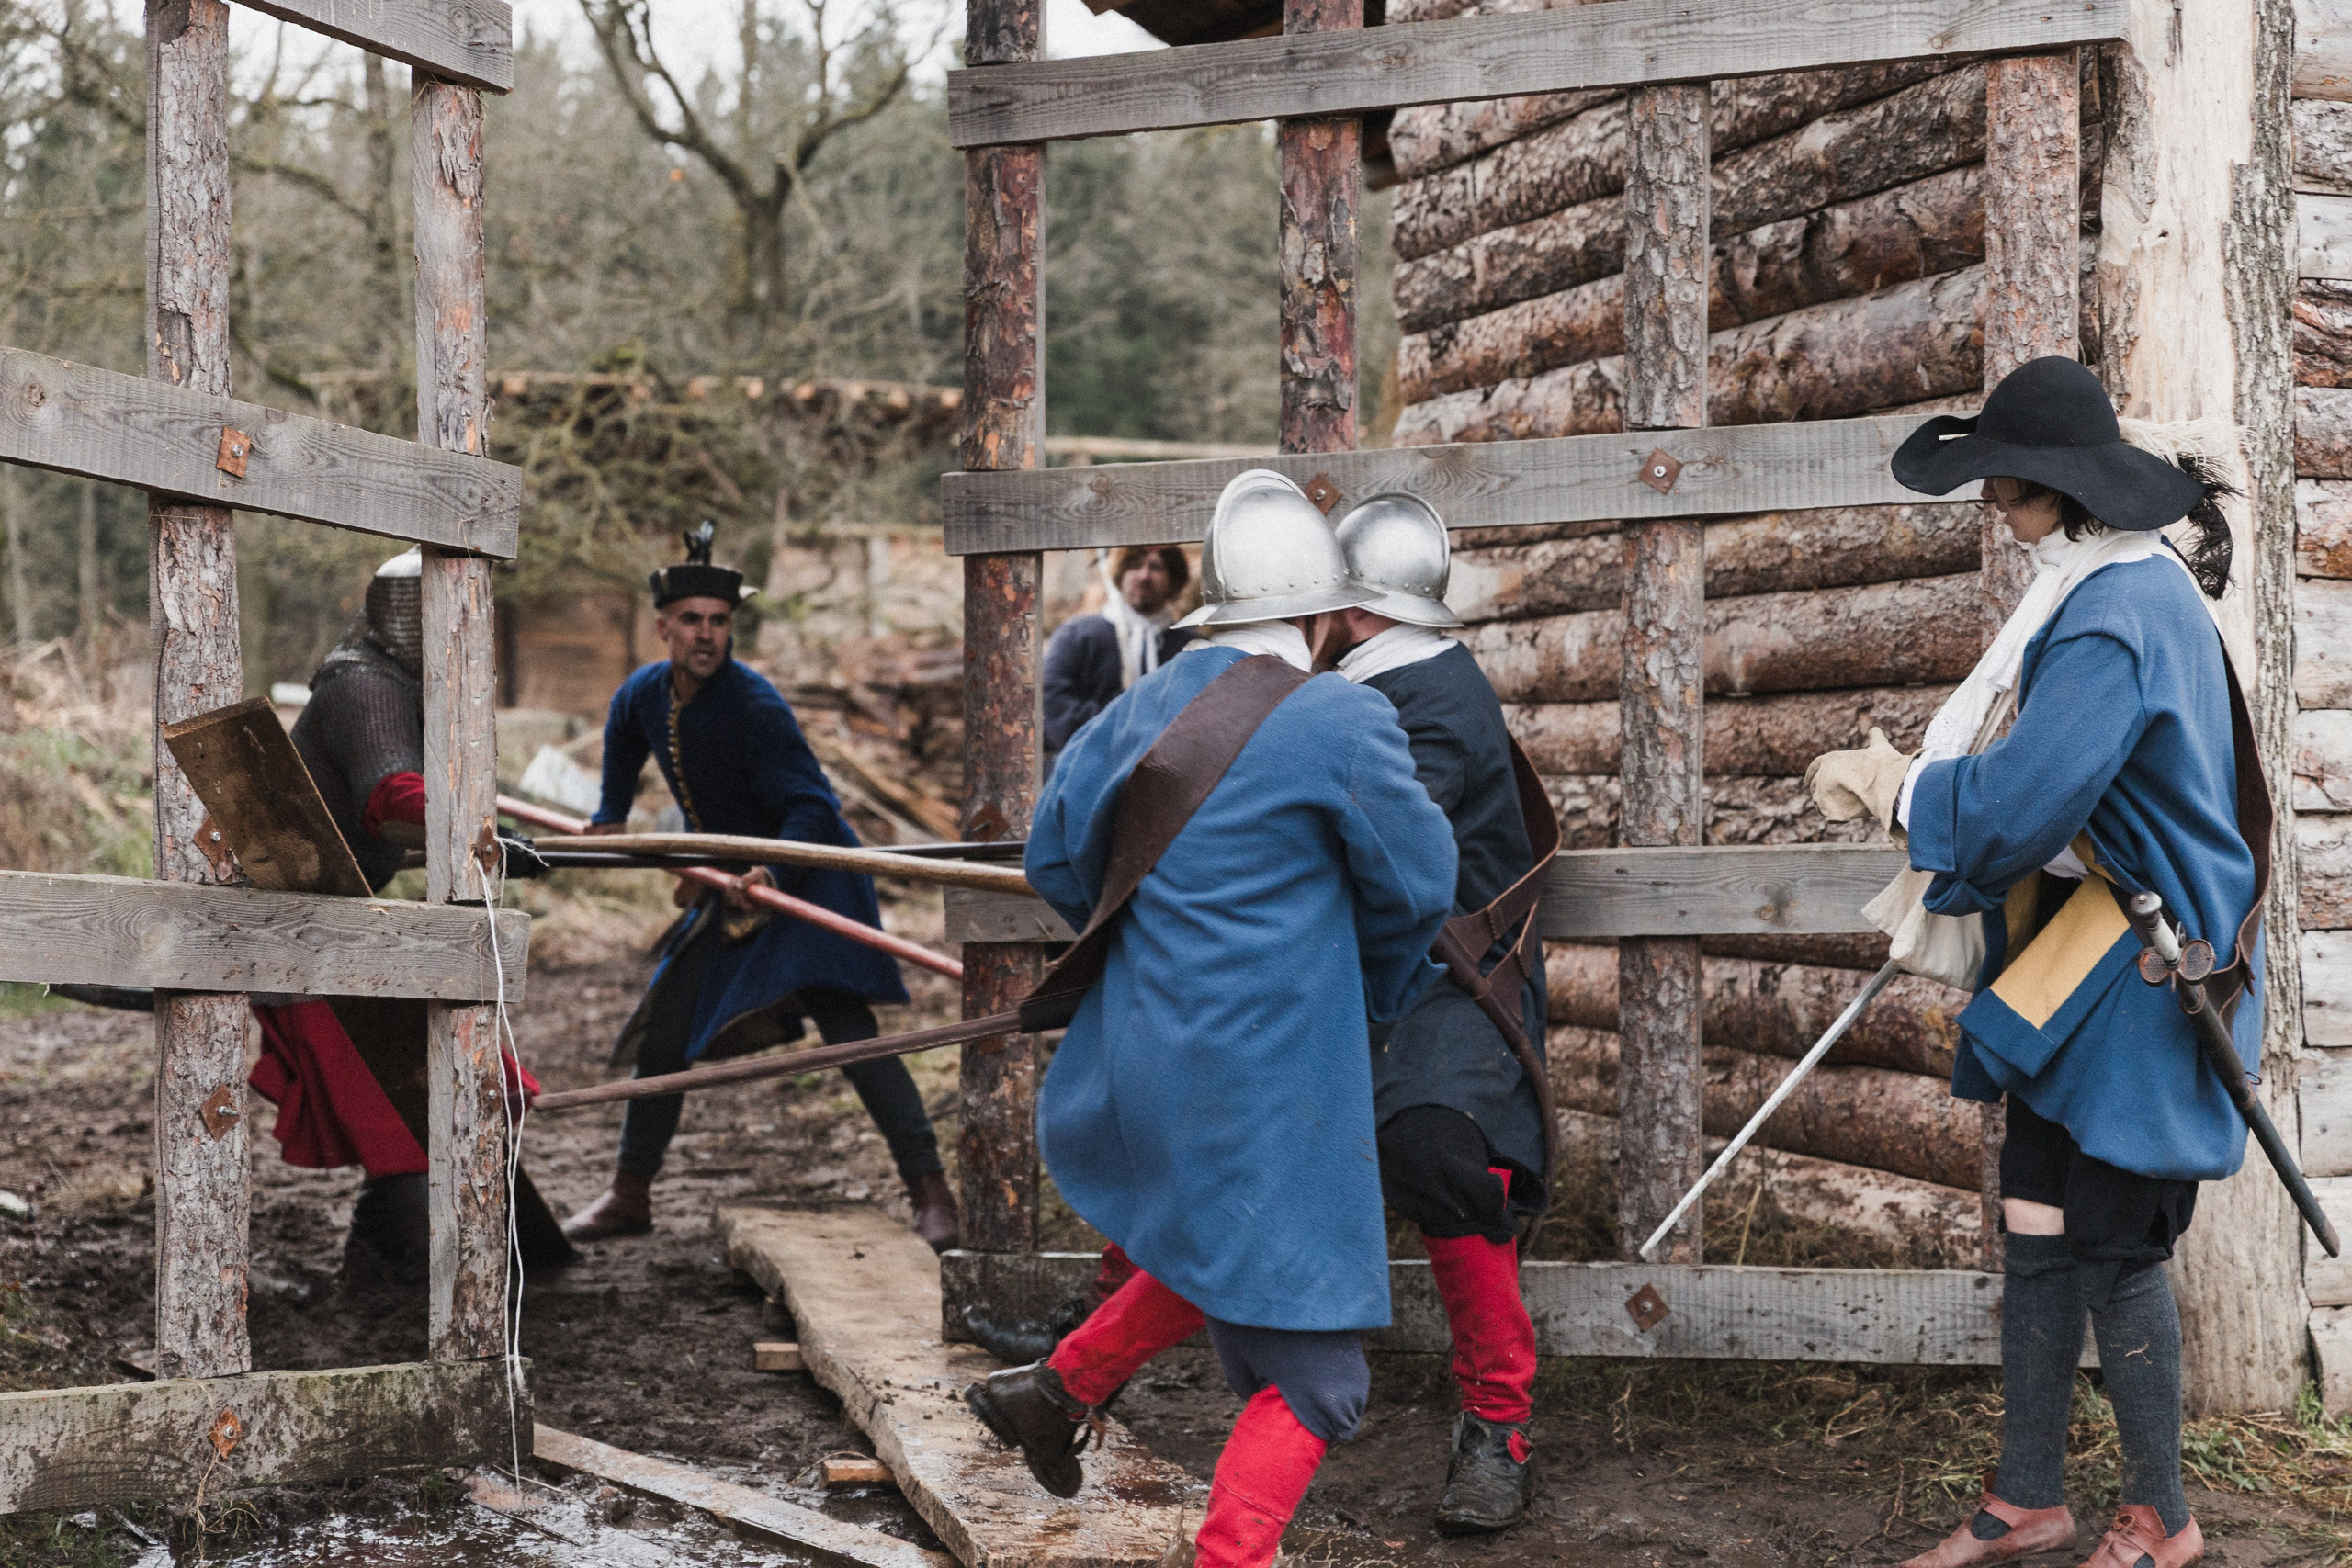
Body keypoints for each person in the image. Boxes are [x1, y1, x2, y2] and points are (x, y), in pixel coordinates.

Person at [965, 471, 1459, 1568]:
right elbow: (1419, 883)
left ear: (1219, 603)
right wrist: (1360, 984)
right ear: (1327, 614)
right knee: (1322, 1384)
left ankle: (1058, 1391)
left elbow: (1056, 858)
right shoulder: (1343, 714)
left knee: (1220, 1243)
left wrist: (1159, 937)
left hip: (1137, 1068)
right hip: (1267, 1079)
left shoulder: (1136, 707)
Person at [1808, 357, 2256, 1568]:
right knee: (2037, 1217)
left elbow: (2019, 805)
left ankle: (2164, 1512)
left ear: (2062, 486)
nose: (1997, 502)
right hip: (2087, 942)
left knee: (2115, 1238)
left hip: (2150, 960)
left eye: (2010, 484)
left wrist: (1904, 788)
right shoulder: (2096, 585)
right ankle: (2028, 1497)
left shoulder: (2120, 613)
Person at [561, 525, 958, 1249]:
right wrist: (608, 819)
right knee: (668, 1030)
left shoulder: (755, 704)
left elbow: (812, 805)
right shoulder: (643, 693)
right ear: (663, 627)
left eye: (719, 621)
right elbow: (622, 740)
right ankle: (629, 1193)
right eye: (691, 621)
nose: (706, 635)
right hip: (728, 885)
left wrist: (771, 872)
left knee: (851, 1038)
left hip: (807, 880)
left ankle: (933, 1194)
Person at [1326, 493, 1549, 1533]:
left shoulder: (1424, 697)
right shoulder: (1382, 680)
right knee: (1233, 1117)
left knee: (1441, 1150)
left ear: (1351, 609)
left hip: (1455, 983)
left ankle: (1497, 1429)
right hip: (1382, 975)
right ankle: (1083, 1368)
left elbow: (1387, 861)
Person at [254, 547, 554, 1277]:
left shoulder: (403, 687)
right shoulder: (362, 688)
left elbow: (387, 827)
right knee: (406, 1108)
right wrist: (476, 832)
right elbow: (391, 801)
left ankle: (378, 1258)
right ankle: (424, 1270)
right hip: (296, 932)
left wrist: (489, 836)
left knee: (450, 1085)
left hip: (339, 926)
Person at [1040, 544, 1195, 772]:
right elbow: (1054, 705)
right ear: (1120, 574)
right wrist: (1127, 723)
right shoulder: (1077, 636)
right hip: (1087, 771)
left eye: (1156, 567)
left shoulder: (1189, 647)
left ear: (1173, 580)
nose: (1144, 576)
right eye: (1134, 565)